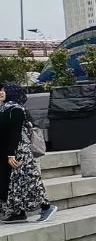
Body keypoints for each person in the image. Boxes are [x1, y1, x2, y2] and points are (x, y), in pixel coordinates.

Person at [0, 83, 55, 223]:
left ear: (12, 93)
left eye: (4, 90)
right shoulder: (5, 109)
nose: (1, 92)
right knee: (15, 184)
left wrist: (11, 154)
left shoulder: (16, 110)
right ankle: (18, 212)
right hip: (10, 151)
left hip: (19, 152)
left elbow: (15, 133)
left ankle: (46, 207)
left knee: (29, 181)